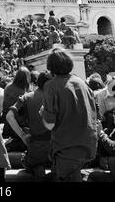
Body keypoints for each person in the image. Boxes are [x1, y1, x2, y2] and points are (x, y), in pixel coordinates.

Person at [40, 47, 98, 182]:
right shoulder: (82, 83)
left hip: (67, 148)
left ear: (51, 67)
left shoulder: (51, 86)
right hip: (88, 146)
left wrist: (43, 112)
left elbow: (49, 124)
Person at [6, 71, 52, 181]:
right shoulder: (57, 98)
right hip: (56, 147)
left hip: (36, 148)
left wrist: (22, 135)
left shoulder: (26, 97)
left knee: (29, 161)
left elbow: (9, 116)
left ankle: (37, 167)